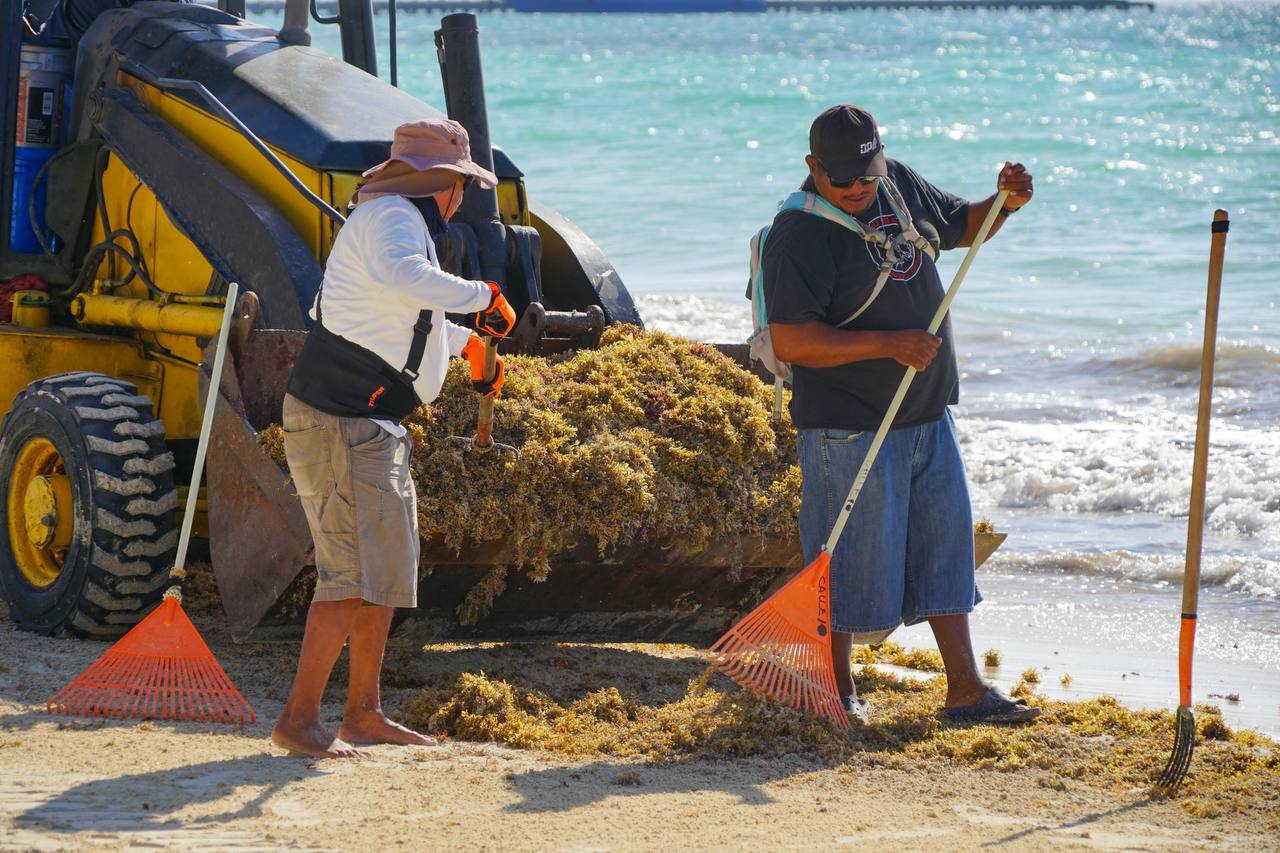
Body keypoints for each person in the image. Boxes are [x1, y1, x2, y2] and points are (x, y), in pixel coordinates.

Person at [762, 104, 1038, 724]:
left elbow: (965, 225)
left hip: (925, 411)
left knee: (945, 551)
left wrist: (1005, 203)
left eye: (865, 173)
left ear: (880, 157)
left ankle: (965, 690)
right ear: (813, 167)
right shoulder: (797, 235)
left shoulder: (897, 184)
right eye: (842, 180)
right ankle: (837, 692)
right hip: (847, 425)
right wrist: (889, 345)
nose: (857, 188)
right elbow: (791, 342)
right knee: (843, 558)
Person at [272, 118, 517, 758]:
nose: (463, 196)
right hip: (340, 422)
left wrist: (469, 346)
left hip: (369, 425)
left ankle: (364, 714)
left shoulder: (398, 220)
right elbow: (408, 281)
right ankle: (299, 721)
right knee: (350, 577)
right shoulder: (390, 220)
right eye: (463, 183)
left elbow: (407, 315)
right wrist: (482, 296)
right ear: (450, 185)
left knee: (382, 575)